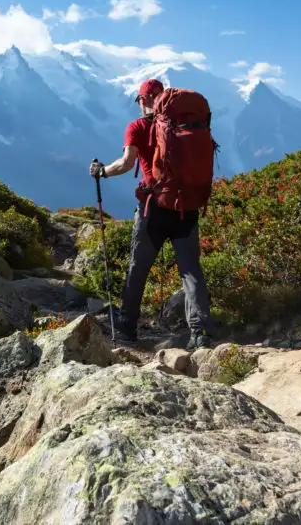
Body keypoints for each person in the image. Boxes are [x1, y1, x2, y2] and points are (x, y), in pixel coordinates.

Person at [89, 78, 212, 349]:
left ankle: (127, 327)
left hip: (153, 209)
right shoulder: (185, 124)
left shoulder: (137, 127)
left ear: (144, 100)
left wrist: (101, 171)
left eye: (140, 99)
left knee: (138, 267)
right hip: (187, 207)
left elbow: (125, 163)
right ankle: (200, 333)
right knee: (190, 271)